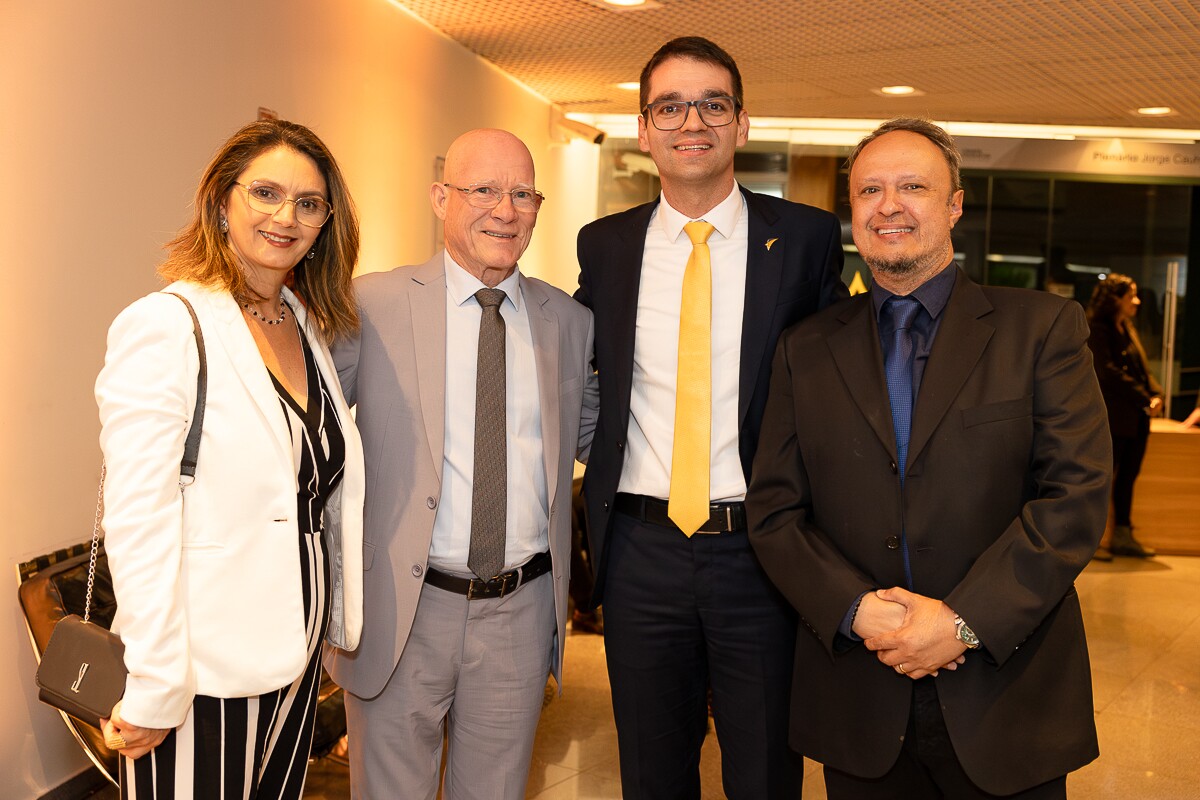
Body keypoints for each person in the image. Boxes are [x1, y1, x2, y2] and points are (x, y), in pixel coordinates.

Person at [746, 118, 1112, 799]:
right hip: (857, 692)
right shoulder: (806, 347)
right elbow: (775, 510)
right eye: (869, 190)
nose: (889, 205)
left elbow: (1076, 497)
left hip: (1005, 694)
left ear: (954, 206)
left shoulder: (1042, 329)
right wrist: (854, 607)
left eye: (913, 186)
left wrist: (963, 621)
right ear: (851, 211)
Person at [574, 36, 846, 799]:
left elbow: (837, 392)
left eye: (712, 104)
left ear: (742, 123)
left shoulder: (805, 240)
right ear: (644, 128)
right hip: (639, 553)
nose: (691, 121)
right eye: (670, 105)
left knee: (763, 771)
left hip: (760, 552)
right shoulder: (607, 246)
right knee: (651, 774)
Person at [94, 119, 365, 798]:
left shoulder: (301, 323)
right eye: (266, 193)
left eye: (309, 203)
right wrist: (156, 682)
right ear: (221, 201)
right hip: (199, 672)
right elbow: (139, 516)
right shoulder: (167, 326)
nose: (286, 217)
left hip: (293, 663)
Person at [329, 128, 597, 799]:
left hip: (520, 610)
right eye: (484, 190)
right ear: (441, 197)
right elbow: (304, 431)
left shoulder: (569, 321)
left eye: (521, 193)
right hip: (403, 608)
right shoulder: (372, 305)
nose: (504, 210)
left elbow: (598, 436)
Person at [1086, 273, 1162, 558]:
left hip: (1135, 419)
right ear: (1115, 299)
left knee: (1128, 477)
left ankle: (1123, 536)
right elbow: (1108, 373)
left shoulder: (1127, 328)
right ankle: (1092, 541)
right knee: (1103, 480)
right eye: (1131, 295)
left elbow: (1143, 369)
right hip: (1113, 419)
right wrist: (1145, 397)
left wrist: (1156, 393)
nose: (1137, 301)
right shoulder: (1098, 329)